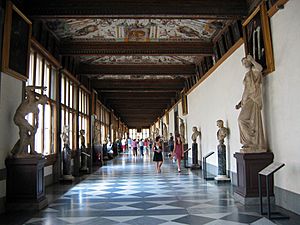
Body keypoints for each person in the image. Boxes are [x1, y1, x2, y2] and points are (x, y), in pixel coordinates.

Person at [235, 54, 266, 151]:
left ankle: (251, 141)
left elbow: (260, 68)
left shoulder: (254, 71)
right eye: (243, 63)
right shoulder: (247, 75)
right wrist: (241, 102)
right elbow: (246, 89)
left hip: (252, 99)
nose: (244, 64)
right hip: (246, 100)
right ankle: (250, 143)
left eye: (245, 62)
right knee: (245, 121)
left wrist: (252, 60)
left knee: (241, 120)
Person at [11, 86, 48, 157]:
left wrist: (36, 128)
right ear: (42, 99)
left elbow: (37, 122)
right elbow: (27, 88)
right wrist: (40, 88)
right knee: (30, 131)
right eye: (45, 101)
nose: (45, 102)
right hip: (18, 117)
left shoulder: (37, 110)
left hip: (22, 119)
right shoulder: (31, 99)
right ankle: (27, 152)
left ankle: (19, 151)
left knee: (25, 135)